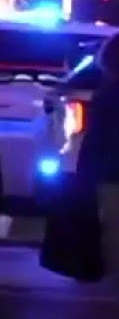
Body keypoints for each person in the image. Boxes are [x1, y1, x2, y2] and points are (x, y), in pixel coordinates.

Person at [78, 34, 119, 287]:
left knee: (113, 230)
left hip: (109, 172)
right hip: (112, 170)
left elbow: (97, 138)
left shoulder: (107, 92)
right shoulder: (111, 94)